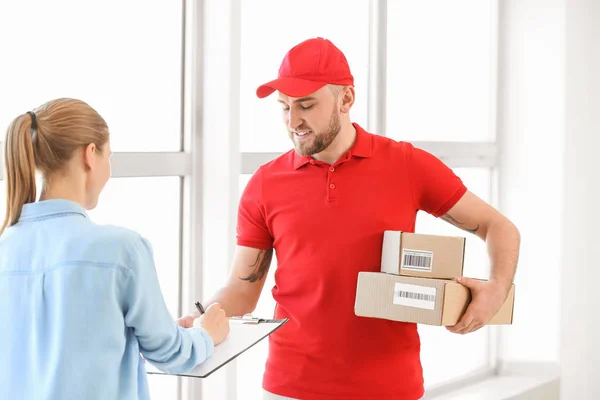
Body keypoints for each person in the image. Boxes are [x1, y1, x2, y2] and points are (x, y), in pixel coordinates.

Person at [180, 37, 521, 400]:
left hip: (390, 386)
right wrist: (204, 316)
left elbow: (498, 226)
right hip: (290, 387)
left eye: (306, 105)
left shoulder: (406, 165)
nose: (293, 121)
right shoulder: (265, 184)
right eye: (284, 107)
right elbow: (242, 289)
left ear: (346, 99)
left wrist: (497, 288)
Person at [0, 98, 230, 400]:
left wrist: (141, 334)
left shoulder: (6, 247)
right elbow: (171, 353)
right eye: (109, 156)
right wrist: (205, 334)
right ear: (90, 155)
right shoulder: (122, 250)